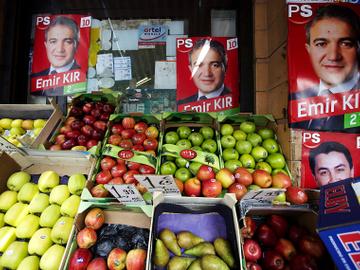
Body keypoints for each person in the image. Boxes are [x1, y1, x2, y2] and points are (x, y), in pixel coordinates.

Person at [289, 4, 360, 132]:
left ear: (358, 48)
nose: (333, 56)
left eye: (345, 44)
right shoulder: (295, 100)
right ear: (309, 50)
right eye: (321, 44)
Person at [31, 16, 81, 95]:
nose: (60, 49)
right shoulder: (36, 78)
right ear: (46, 45)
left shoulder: (84, 78)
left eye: (67, 41)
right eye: (53, 41)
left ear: (76, 45)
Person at [178, 39, 231, 105]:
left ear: (225, 68)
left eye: (215, 65)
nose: (207, 73)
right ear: (191, 69)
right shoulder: (182, 104)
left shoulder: (234, 101)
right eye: (199, 65)